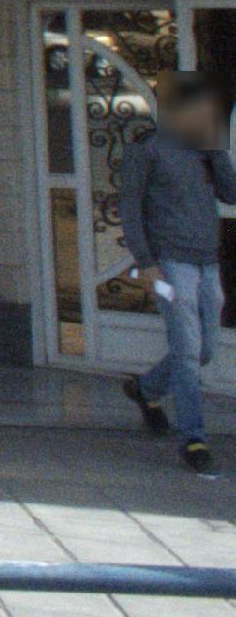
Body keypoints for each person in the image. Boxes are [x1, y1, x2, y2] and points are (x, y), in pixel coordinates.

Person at [120, 72, 236, 476]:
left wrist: (217, 153)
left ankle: (145, 389)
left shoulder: (204, 148)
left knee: (205, 351)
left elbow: (231, 193)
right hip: (170, 265)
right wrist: (146, 262)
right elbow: (130, 210)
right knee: (187, 350)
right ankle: (193, 438)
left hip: (207, 261)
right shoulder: (148, 149)